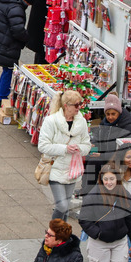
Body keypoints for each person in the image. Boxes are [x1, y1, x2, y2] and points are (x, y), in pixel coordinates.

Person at [38, 90, 91, 220]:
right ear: (66, 105)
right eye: (76, 105)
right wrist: (65, 149)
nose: (79, 108)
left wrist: (79, 148)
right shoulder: (51, 121)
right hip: (55, 168)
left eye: (80, 104)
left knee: (66, 207)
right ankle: (53, 232)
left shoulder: (81, 122)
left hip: (72, 169)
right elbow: (43, 146)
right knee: (61, 206)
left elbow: (87, 144)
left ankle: (63, 236)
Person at [84, 93, 131, 189]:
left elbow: (124, 153)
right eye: (108, 114)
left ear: (119, 113)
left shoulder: (127, 127)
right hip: (107, 154)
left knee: (94, 162)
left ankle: (88, 191)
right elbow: (99, 139)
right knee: (88, 157)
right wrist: (94, 146)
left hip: (119, 159)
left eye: (113, 114)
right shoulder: (105, 123)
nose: (110, 117)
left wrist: (102, 155)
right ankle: (89, 188)